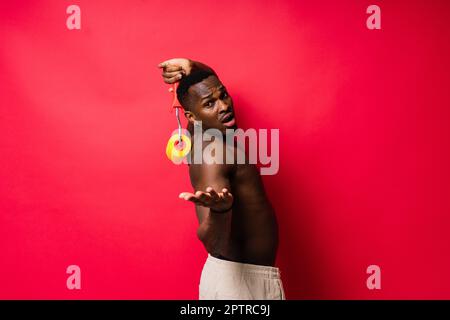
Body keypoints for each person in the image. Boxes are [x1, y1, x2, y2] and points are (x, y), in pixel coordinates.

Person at [158, 58, 285, 300]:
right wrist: (220, 211)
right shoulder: (215, 154)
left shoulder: (198, 133)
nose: (224, 106)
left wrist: (190, 65)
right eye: (210, 104)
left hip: (238, 281)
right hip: (240, 286)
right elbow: (214, 245)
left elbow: (207, 85)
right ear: (192, 115)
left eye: (224, 95)